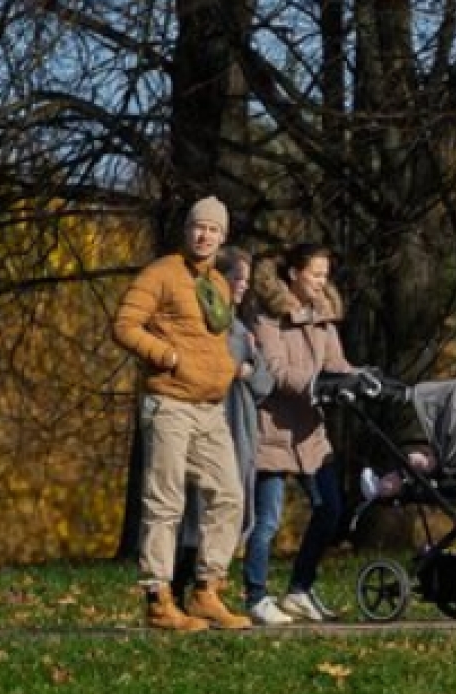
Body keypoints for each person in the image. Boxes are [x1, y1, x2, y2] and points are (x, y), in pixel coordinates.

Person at [111, 196, 252, 631]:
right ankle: (159, 599)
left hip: (210, 408)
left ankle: (207, 591)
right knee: (165, 501)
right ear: (186, 230)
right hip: (170, 403)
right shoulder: (161, 274)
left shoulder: (219, 284)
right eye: (198, 227)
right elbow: (124, 325)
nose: (204, 235)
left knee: (229, 496)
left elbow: (216, 340)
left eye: (212, 229)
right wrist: (167, 356)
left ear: (222, 236)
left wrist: (229, 369)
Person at [244, 243, 350, 624]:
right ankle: (255, 596)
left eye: (325, 275)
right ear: (293, 274)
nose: (323, 282)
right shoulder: (266, 313)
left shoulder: (323, 315)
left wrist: (361, 379)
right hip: (272, 428)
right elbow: (273, 368)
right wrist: (318, 385)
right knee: (267, 519)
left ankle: (300, 589)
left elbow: (336, 363)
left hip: (310, 432)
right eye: (316, 274)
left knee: (331, 509)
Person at [170, 246, 275, 604]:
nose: (243, 286)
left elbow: (264, 382)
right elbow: (206, 366)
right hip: (207, 417)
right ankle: (180, 590)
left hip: (240, 422)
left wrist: (248, 368)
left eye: (246, 279)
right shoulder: (200, 321)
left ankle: (208, 590)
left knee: (232, 504)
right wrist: (238, 368)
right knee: (200, 508)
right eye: (236, 278)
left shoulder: (241, 326)